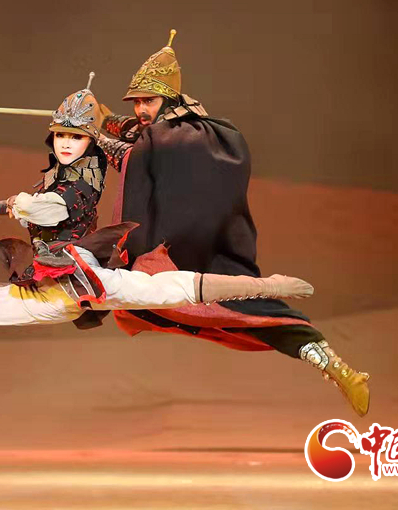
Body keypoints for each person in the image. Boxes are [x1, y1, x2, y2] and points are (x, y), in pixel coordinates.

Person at [0, 81, 315, 340]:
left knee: (172, 289)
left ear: (89, 142)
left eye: (75, 137)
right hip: (48, 288)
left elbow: (48, 210)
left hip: (84, 274)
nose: (66, 144)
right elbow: (27, 203)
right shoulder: (55, 178)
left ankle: (267, 286)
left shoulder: (81, 183)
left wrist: (14, 206)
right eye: (60, 136)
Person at [97, 31, 371, 417]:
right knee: (249, 313)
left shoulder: (176, 139)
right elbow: (142, 145)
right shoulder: (202, 132)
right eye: (137, 102)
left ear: (169, 99)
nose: (142, 109)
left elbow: (137, 155)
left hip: (185, 255)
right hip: (195, 255)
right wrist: (108, 124)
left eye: (149, 101)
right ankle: (335, 366)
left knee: (243, 311)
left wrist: (94, 131)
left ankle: (338, 369)